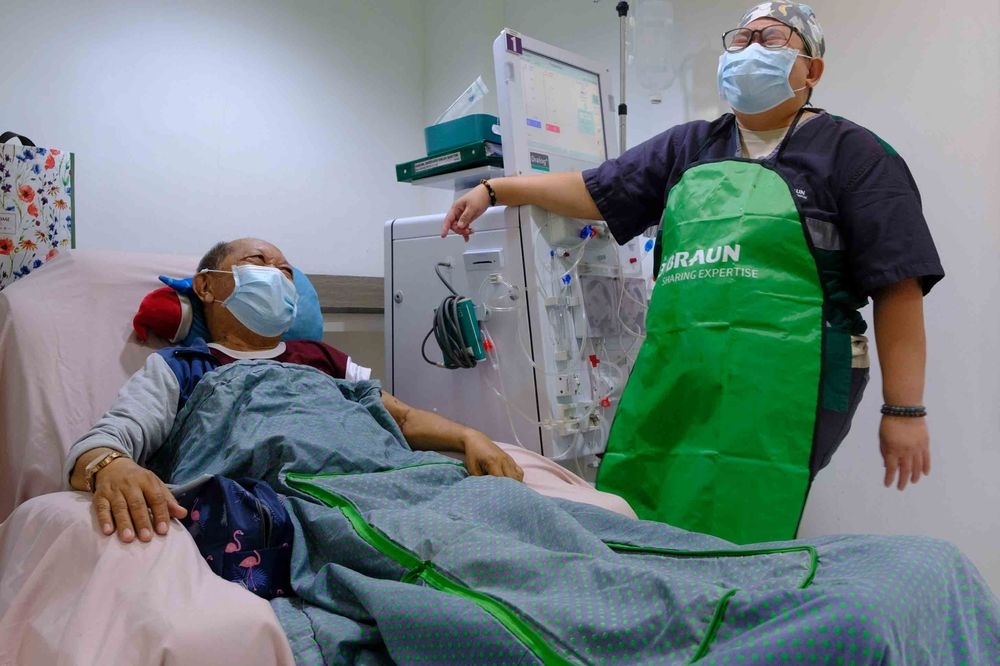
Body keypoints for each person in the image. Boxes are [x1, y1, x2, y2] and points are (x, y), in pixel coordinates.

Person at [440, 2, 944, 544]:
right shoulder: (690, 146)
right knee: (643, 508)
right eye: (741, 39)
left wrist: (904, 410)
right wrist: (496, 189)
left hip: (791, 377)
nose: (750, 50)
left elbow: (899, 284)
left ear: (812, 69)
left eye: (771, 39)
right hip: (680, 372)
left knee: (746, 520)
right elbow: (595, 189)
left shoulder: (855, 155)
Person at [65, 237, 530, 543]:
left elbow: (402, 418)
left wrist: (469, 436)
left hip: (390, 481)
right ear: (206, 286)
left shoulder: (323, 358)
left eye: (286, 271)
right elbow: (106, 441)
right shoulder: (183, 367)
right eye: (258, 262)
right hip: (297, 506)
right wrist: (112, 467)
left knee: (519, 517)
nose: (277, 274)